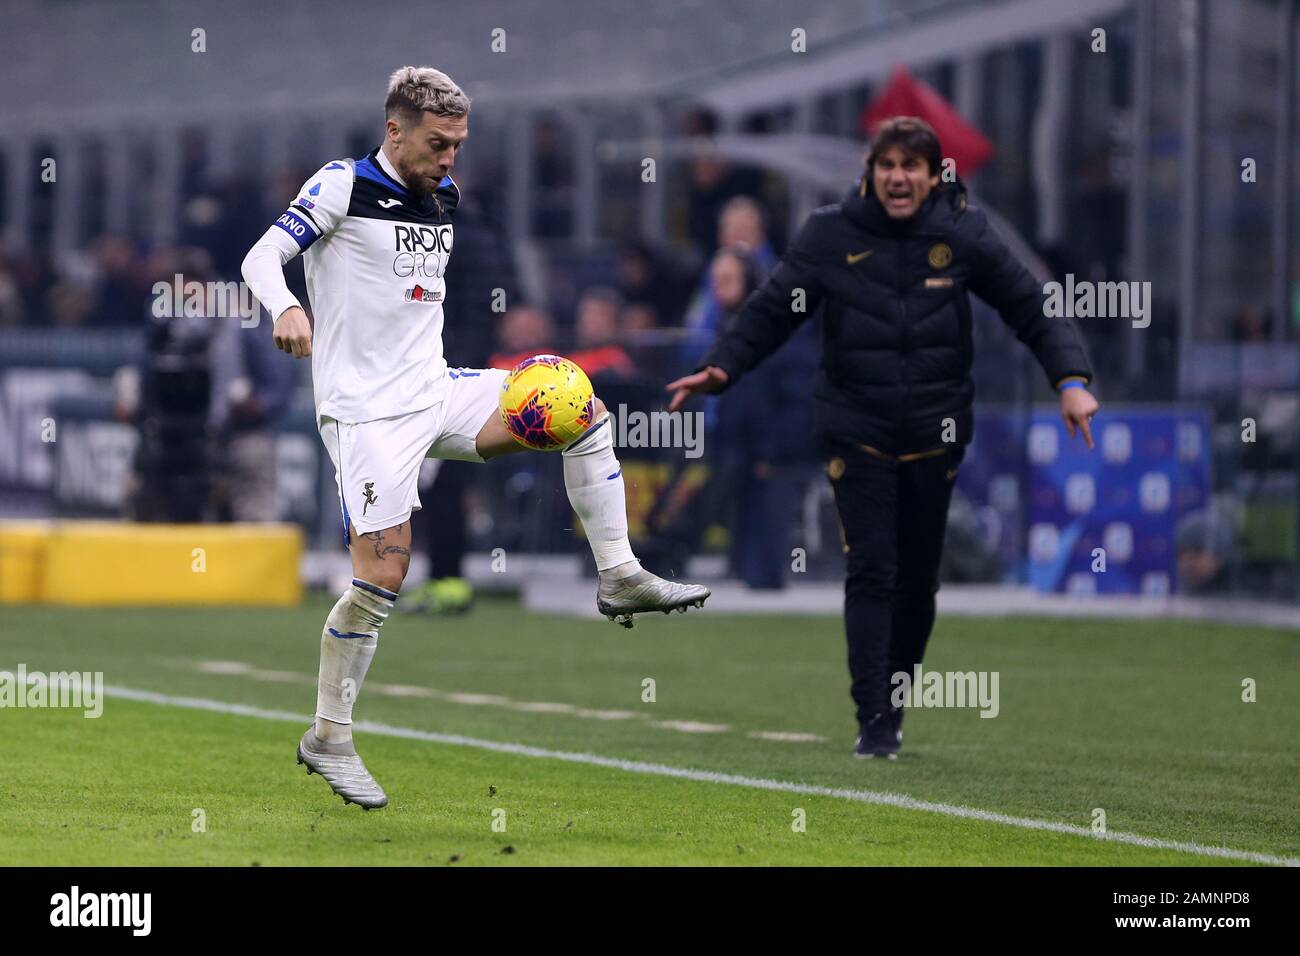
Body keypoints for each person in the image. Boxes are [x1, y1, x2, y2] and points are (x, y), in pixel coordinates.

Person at [242, 66, 709, 810]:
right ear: (394, 129)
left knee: (578, 406)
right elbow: (261, 257)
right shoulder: (339, 184)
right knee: (381, 581)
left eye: (458, 144)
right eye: (437, 143)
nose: (449, 158)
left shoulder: (446, 196)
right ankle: (329, 737)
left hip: (437, 390)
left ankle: (619, 575)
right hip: (367, 415)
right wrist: (285, 307)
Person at [668, 116, 1099, 760]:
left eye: (912, 166)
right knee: (873, 567)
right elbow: (772, 307)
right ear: (871, 172)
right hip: (855, 427)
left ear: (932, 175)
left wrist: (1070, 378)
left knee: (917, 579)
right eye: (888, 165)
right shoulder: (831, 234)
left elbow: (1031, 305)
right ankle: (873, 715)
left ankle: (895, 701)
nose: (899, 177)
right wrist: (724, 366)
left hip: (935, 428)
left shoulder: (964, 232)